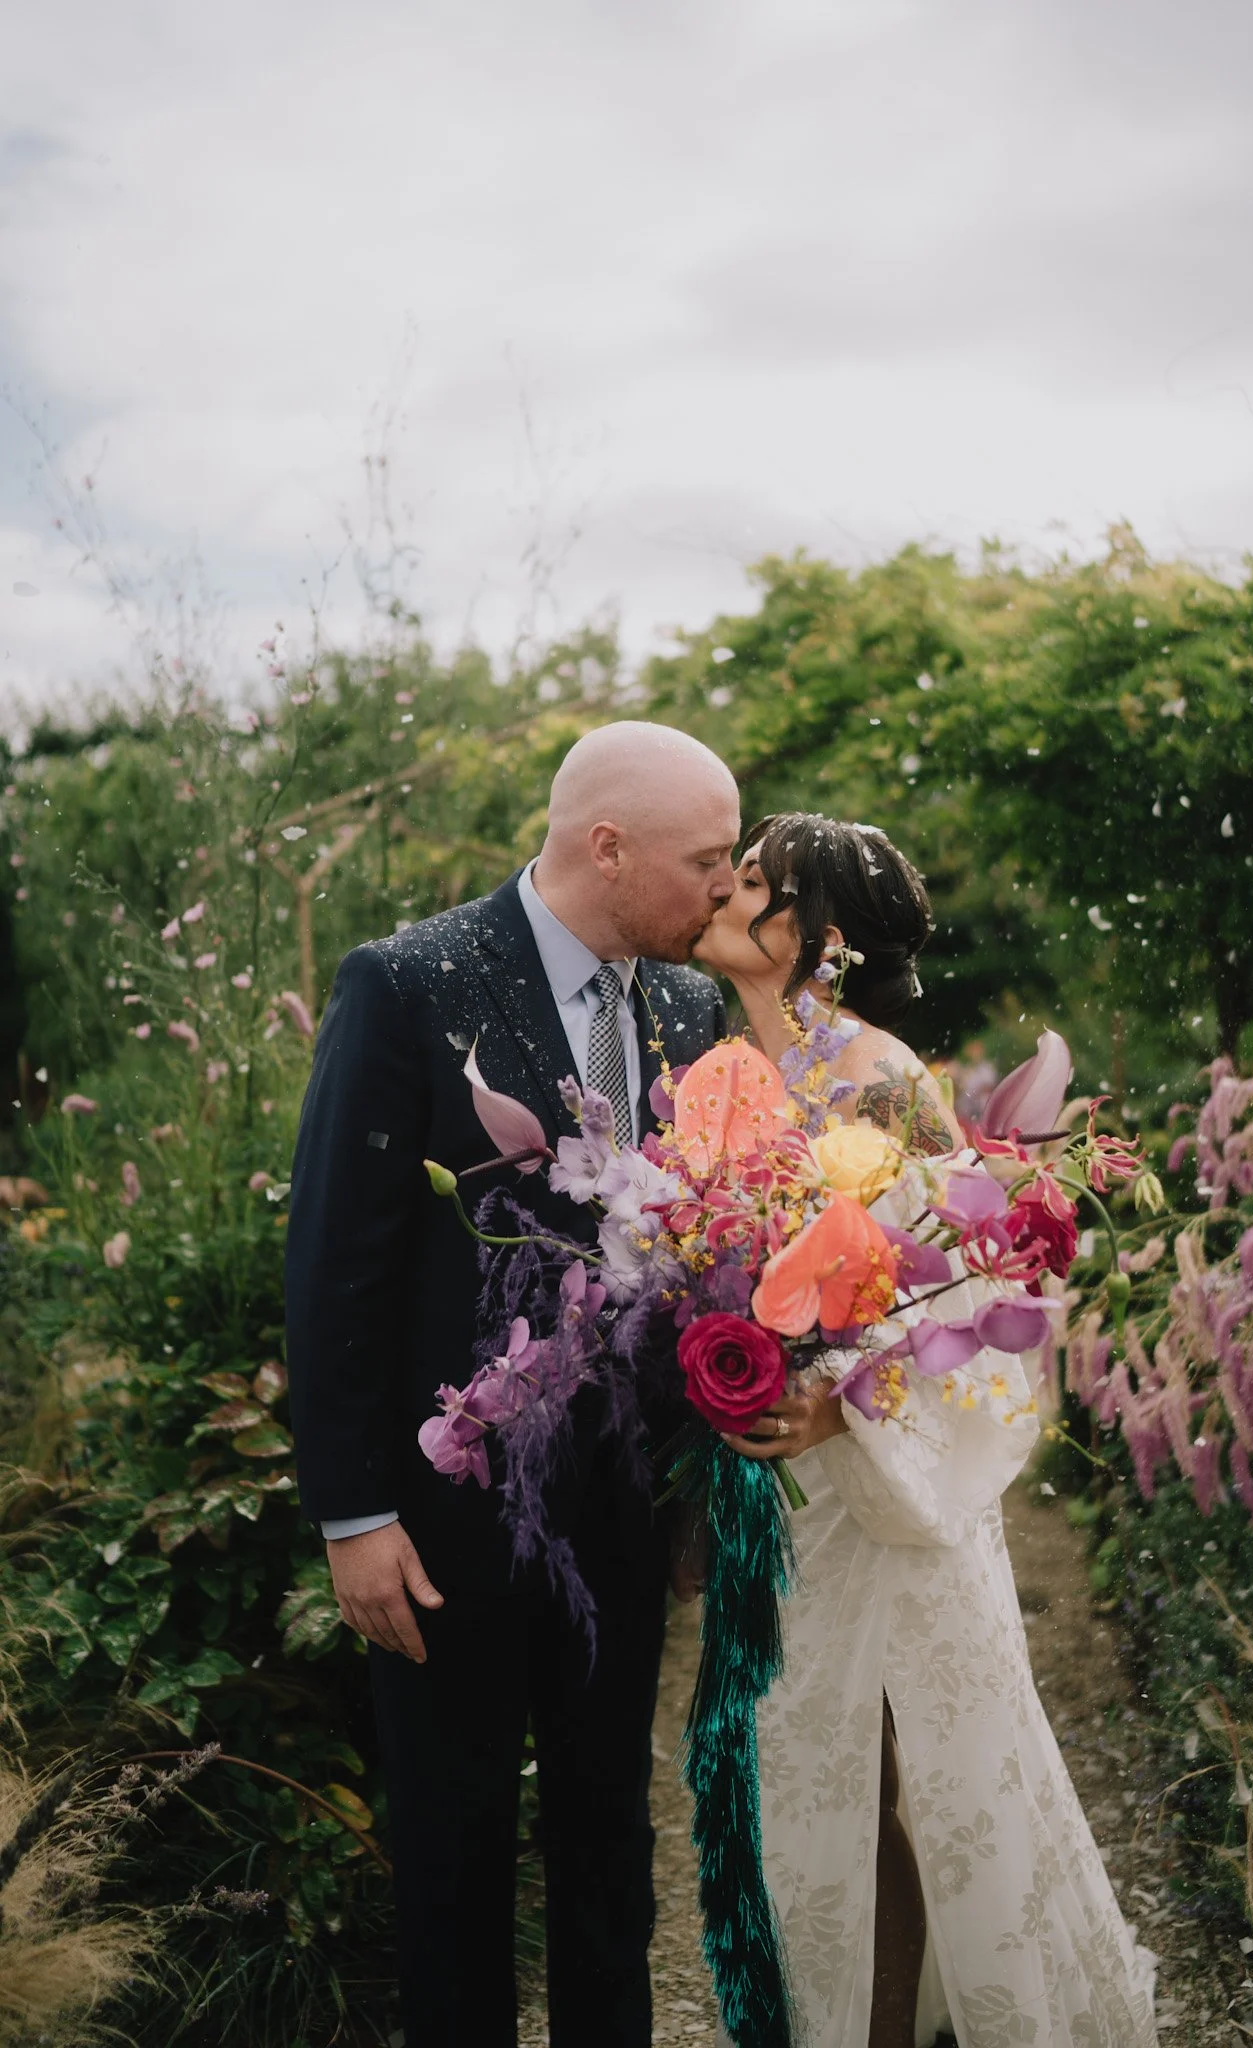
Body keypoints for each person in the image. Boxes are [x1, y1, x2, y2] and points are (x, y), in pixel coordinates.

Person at [285, 722, 739, 2048]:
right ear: (609, 847)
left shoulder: (689, 1008)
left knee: (610, 1835)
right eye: (704, 860)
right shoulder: (407, 984)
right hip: (440, 1523)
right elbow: (334, 1266)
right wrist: (353, 1515)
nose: (726, 884)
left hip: (617, 1512)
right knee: (455, 1844)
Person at [692, 812, 1158, 2048]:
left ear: (819, 936)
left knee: (910, 1778)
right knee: (818, 1770)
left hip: (884, 1485)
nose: (724, 896)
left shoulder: (878, 1077)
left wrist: (836, 1405)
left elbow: (968, 1296)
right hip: (788, 1495)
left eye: (751, 883)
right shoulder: (724, 1067)